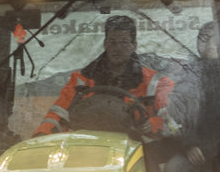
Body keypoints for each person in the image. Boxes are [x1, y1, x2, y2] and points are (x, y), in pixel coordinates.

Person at [32, 15, 174, 137]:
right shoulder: (81, 80)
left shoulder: (156, 83)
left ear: (134, 45)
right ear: (105, 44)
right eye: (112, 42)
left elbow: (172, 119)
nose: (117, 48)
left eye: (123, 42)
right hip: (86, 146)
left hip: (139, 147)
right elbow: (57, 114)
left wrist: (153, 124)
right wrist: (41, 135)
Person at [157, 21, 220, 172]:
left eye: (211, 39)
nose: (206, 44)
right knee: (173, 170)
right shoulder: (187, 75)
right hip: (191, 149)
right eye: (202, 39)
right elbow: (174, 118)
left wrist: (214, 149)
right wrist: (188, 144)